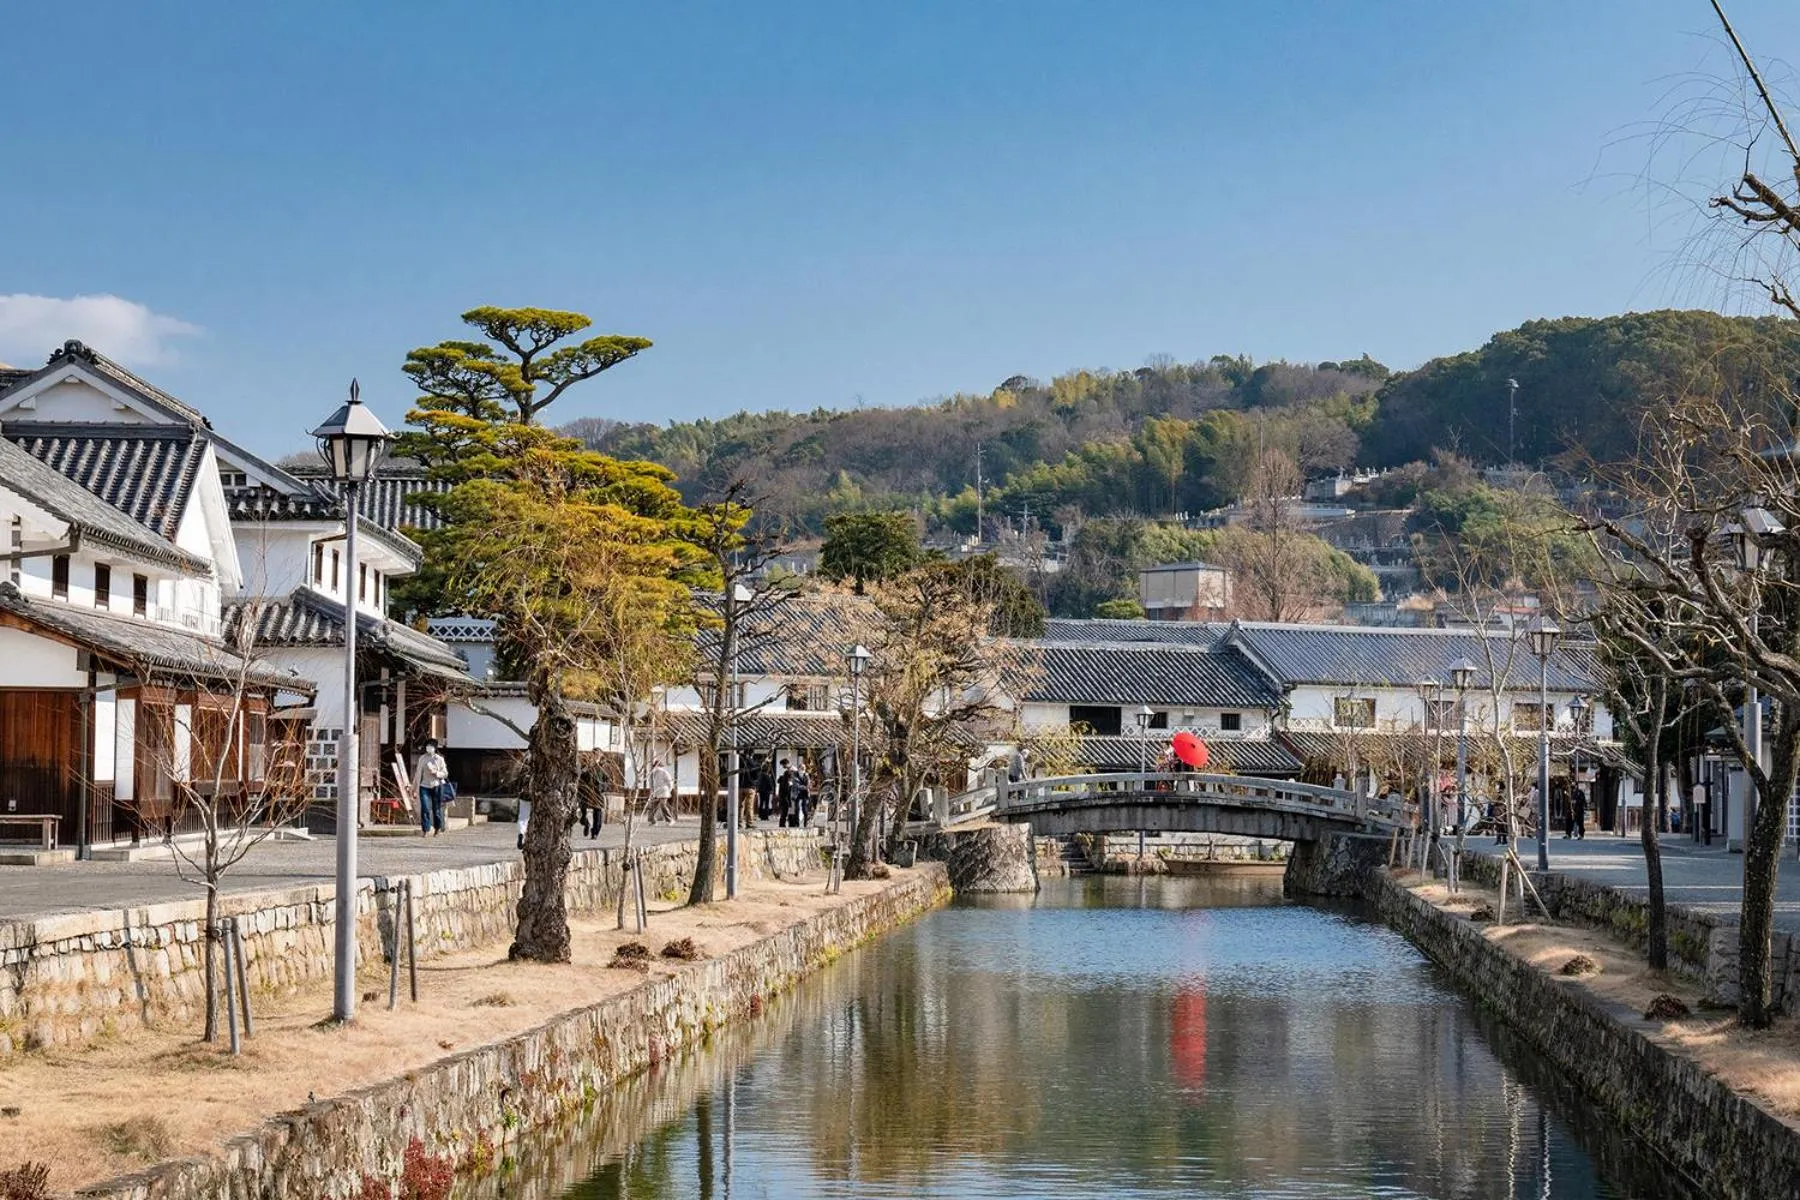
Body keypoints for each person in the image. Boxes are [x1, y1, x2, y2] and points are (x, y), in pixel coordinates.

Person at [415, 740, 449, 837]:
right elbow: (418, 773)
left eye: (431, 746)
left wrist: (436, 773)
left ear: (435, 748)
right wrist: (414, 787)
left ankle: (437, 828)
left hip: (436, 785)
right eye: (427, 746)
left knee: (436, 808)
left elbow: (445, 773)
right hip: (424, 786)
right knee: (425, 807)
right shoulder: (422, 758)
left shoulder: (439, 759)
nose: (428, 748)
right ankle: (425, 829)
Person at [647, 759, 675, 825]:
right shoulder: (653, 773)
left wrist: (669, 790)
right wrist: (652, 791)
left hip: (664, 791)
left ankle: (670, 820)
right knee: (653, 806)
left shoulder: (664, 772)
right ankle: (653, 821)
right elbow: (651, 783)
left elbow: (670, 782)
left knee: (662, 805)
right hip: (656, 791)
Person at [755, 759, 776, 824]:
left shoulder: (760, 775)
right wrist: (772, 789)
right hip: (767, 791)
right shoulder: (767, 776)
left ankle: (761, 815)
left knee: (761, 803)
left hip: (761, 791)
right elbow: (770, 784)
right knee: (766, 803)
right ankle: (765, 816)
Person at [776, 758, 795, 827]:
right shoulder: (788, 772)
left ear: (785, 764)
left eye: (783, 765)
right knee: (787, 809)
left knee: (786, 810)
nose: (783, 767)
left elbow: (787, 784)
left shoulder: (790, 771)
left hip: (787, 794)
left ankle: (785, 823)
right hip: (786, 794)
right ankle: (788, 823)